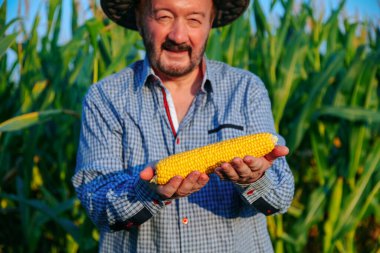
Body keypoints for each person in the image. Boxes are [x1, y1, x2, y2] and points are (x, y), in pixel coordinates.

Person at [72, 0, 294, 252]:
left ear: (210, 22)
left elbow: (279, 199)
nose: (178, 35)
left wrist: (256, 179)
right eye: (164, 17)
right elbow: (97, 205)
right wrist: (147, 192)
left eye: (194, 20)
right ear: (139, 18)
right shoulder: (105, 98)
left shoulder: (245, 90)